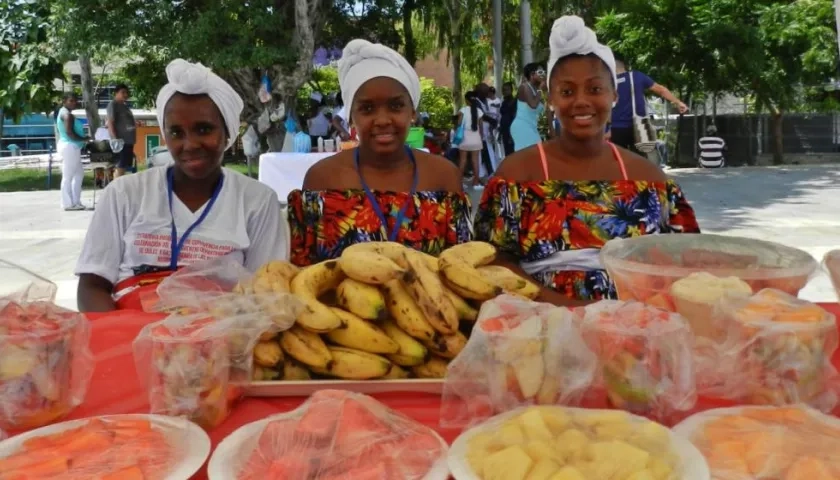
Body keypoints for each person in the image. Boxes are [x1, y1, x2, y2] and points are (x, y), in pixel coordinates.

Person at [474, 16, 700, 306]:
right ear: (551, 98)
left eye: (595, 89)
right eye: (567, 91)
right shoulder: (516, 175)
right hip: (539, 333)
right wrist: (573, 313)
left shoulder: (650, 179)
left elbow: (683, 262)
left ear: (614, 95)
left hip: (636, 330)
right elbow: (491, 260)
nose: (581, 101)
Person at [75, 59, 288, 312]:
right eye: (176, 133)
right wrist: (119, 339)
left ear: (228, 133)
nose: (189, 144)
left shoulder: (257, 201)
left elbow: (266, 293)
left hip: (223, 338)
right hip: (129, 336)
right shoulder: (124, 194)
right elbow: (92, 286)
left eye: (203, 129)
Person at [287, 39, 471, 266]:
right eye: (367, 109)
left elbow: (463, 268)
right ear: (351, 118)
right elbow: (303, 272)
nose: (383, 120)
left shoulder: (444, 177)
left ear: (412, 112)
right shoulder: (322, 178)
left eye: (395, 106)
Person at [610, 53, 689, 154]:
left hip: (615, 128)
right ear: (624, 64)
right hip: (640, 127)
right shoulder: (637, 76)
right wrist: (678, 102)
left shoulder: (607, 81)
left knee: (618, 161)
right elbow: (661, 90)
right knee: (640, 161)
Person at [56, 93, 90, 211]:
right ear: (64, 101)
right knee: (68, 175)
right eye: (71, 101)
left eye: (75, 101)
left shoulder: (66, 113)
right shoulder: (66, 115)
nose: (74, 103)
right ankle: (67, 203)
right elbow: (69, 132)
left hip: (73, 147)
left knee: (79, 174)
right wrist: (84, 139)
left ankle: (76, 202)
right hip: (70, 146)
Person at [509, 63, 546, 151]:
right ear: (532, 74)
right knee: (528, 157)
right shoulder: (524, 87)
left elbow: (548, 108)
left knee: (535, 156)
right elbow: (533, 105)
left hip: (532, 127)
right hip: (522, 126)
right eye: (540, 72)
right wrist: (541, 89)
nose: (543, 74)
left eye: (544, 72)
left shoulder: (537, 89)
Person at [106, 84, 137, 178]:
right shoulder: (113, 104)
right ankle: (117, 190)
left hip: (128, 141)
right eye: (123, 92)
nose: (125, 94)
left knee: (124, 167)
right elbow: (110, 122)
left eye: (126, 92)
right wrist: (115, 139)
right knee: (120, 167)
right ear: (116, 93)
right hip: (120, 142)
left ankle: (119, 188)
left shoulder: (125, 106)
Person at [456, 91, 485, 188]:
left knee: (462, 161)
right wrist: (481, 137)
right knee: (475, 161)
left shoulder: (462, 110)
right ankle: (476, 183)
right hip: (476, 138)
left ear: (466, 100)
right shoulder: (479, 111)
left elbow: (459, 124)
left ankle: (459, 183)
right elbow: (481, 127)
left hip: (464, 138)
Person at [499, 82, 517, 156]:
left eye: (506, 90)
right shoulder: (504, 102)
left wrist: (511, 134)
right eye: (503, 90)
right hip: (504, 131)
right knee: (507, 152)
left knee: (511, 153)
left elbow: (514, 117)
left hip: (510, 131)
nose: (504, 91)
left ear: (511, 90)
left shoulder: (513, 102)